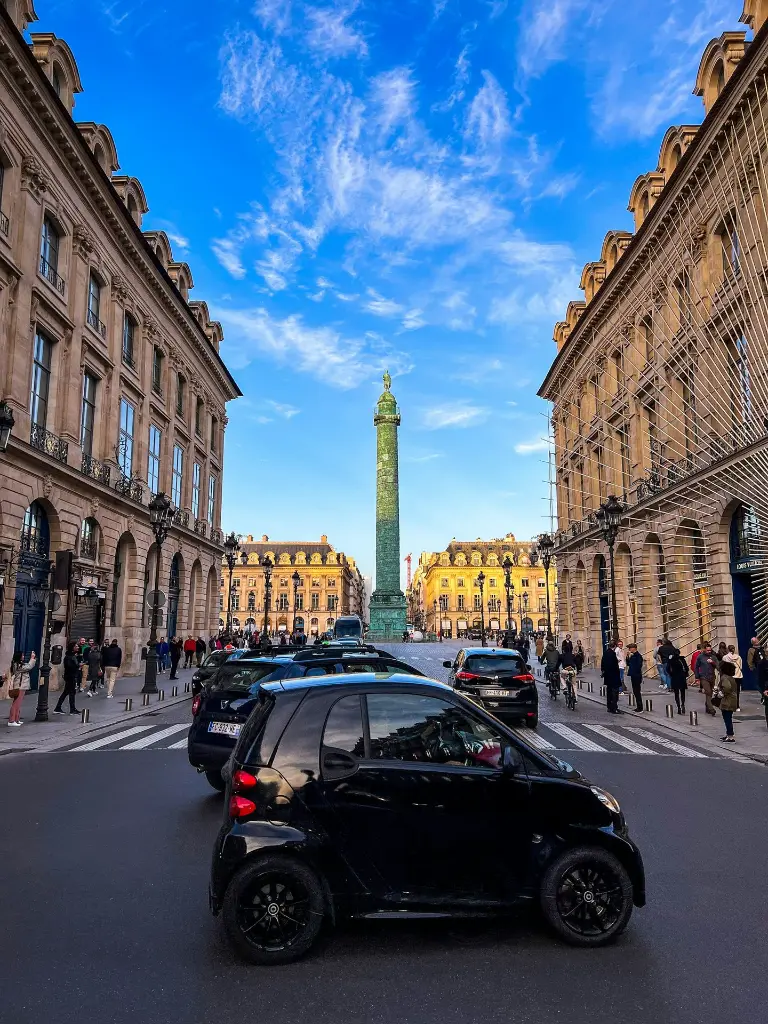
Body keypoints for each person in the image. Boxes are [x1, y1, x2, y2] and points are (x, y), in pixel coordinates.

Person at [5, 652, 36, 726]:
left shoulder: (19, 664)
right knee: (16, 703)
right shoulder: (18, 665)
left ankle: (16, 719)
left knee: (18, 704)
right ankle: (11, 721)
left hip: (21, 686)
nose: (23, 656)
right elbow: (28, 666)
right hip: (20, 686)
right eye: (22, 655)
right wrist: (32, 658)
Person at [54, 642, 80, 715]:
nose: (77, 647)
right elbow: (69, 666)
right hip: (70, 677)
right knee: (71, 693)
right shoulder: (69, 657)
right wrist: (78, 666)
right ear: (72, 647)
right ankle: (72, 709)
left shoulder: (72, 656)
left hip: (71, 676)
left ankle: (58, 708)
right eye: (76, 646)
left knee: (66, 692)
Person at [694, 642, 718, 716]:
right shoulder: (700, 657)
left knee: (710, 693)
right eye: (708, 650)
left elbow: (718, 666)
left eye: (710, 650)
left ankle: (707, 706)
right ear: (704, 650)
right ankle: (711, 709)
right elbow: (696, 667)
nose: (709, 652)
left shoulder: (713, 657)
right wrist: (697, 677)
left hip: (712, 677)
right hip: (703, 677)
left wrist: (713, 662)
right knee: (708, 692)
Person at [717, 659, 737, 743]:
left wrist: (721, 693)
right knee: (728, 718)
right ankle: (728, 734)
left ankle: (730, 736)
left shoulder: (724, 677)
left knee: (727, 718)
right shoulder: (730, 677)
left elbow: (727, 687)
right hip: (732, 700)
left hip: (727, 701)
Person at [600, 643, 622, 714]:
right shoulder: (612, 654)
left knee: (609, 692)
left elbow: (602, 664)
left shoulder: (605, 653)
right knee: (615, 693)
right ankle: (614, 708)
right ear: (614, 646)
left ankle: (609, 707)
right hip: (614, 676)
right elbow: (614, 666)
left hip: (607, 676)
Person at [667, 648, 689, 715]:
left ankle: (679, 707)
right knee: (682, 693)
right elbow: (686, 668)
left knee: (676, 694)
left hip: (675, 678)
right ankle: (683, 704)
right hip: (682, 678)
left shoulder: (671, 661)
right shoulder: (682, 660)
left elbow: (667, 669)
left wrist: (671, 674)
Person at [722, 644, 743, 712]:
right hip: (738, 675)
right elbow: (741, 667)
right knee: (737, 691)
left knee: (729, 690)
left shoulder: (725, 657)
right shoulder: (739, 657)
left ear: (728, 649)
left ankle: (730, 705)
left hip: (730, 676)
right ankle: (737, 706)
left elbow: (723, 667)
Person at [627, 643, 644, 713]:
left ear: (634, 648)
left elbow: (638, 666)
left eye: (630, 648)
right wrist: (627, 657)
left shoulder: (638, 656)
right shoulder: (632, 656)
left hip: (636, 676)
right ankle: (638, 706)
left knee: (637, 691)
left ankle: (640, 707)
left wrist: (634, 671)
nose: (629, 649)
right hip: (633, 675)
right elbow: (628, 663)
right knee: (635, 691)